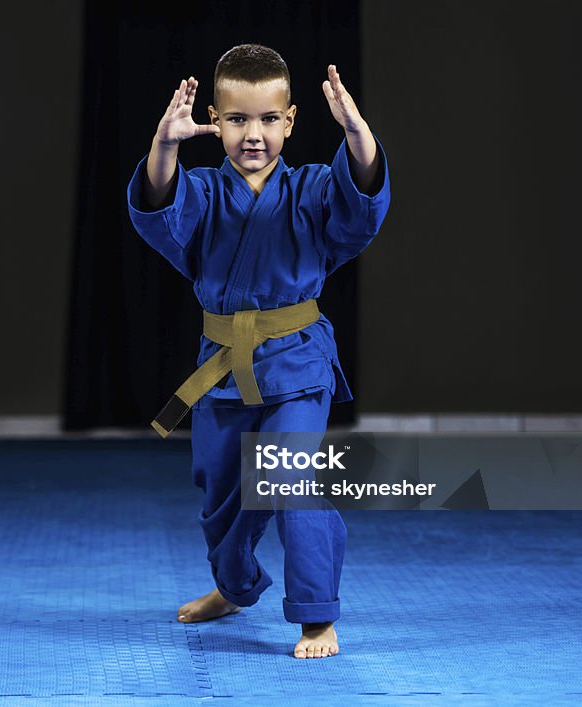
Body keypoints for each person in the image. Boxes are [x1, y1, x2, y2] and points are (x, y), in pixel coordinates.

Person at [126, 44, 390, 659]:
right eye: (238, 119)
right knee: (222, 495)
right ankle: (235, 585)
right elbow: (159, 212)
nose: (253, 134)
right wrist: (164, 148)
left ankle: (316, 614)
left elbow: (360, 210)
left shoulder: (313, 188)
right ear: (214, 120)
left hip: (296, 361)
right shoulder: (201, 193)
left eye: (268, 119)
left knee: (292, 479)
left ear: (291, 120)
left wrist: (357, 135)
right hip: (221, 367)